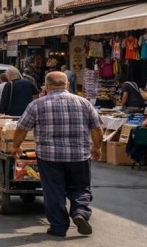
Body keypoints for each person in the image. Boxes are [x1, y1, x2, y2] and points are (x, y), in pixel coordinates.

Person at [11, 71, 103, 237]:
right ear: (67, 85)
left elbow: (21, 128)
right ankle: (80, 212)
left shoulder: (37, 104)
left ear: (46, 87)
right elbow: (96, 128)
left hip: (49, 156)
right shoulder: (84, 103)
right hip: (79, 155)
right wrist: (97, 147)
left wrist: (15, 146)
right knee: (80, 187)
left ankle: (59, 227)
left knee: (53, 191)